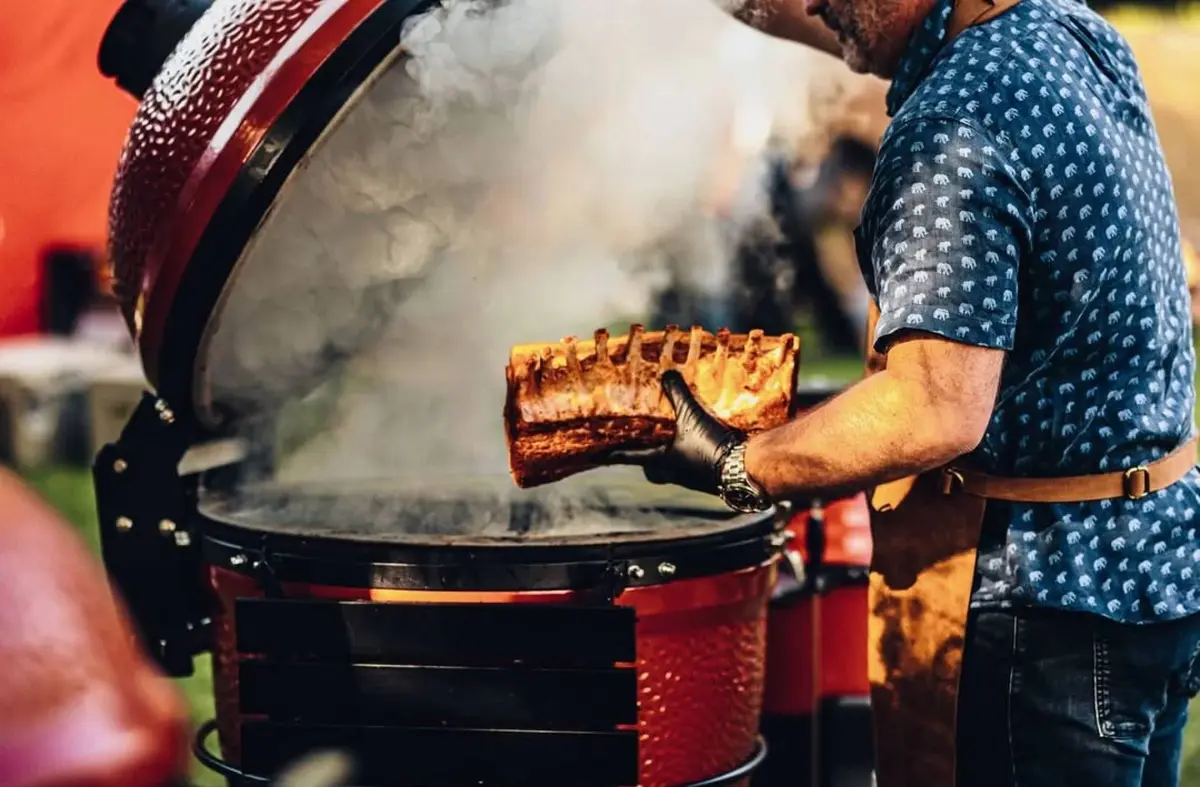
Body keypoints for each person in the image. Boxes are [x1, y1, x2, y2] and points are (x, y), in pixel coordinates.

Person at [609, 0, 1200, 785]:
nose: (811, 3)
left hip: (1043, 615)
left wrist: (738, 463)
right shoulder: (1069, 27)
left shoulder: (951, 125)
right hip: (1154, 567)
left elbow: (935, 407)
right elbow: (839, 20)